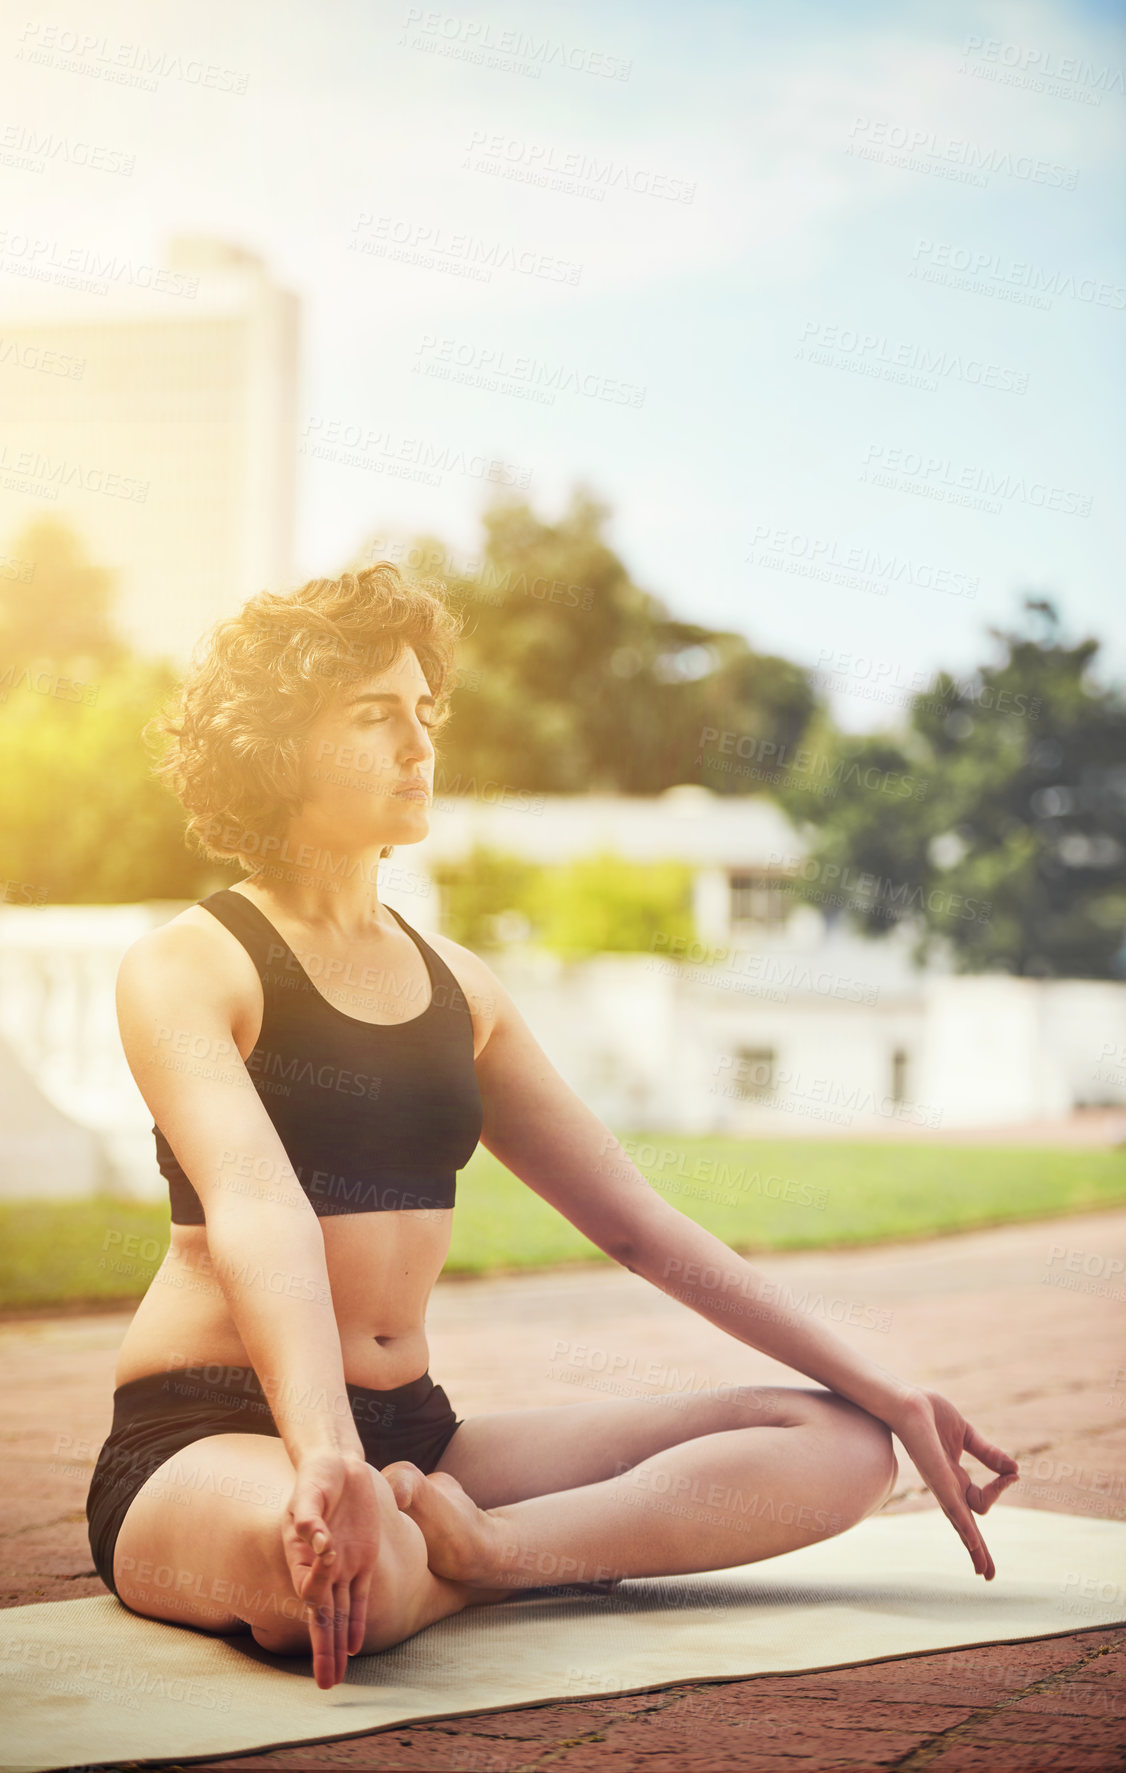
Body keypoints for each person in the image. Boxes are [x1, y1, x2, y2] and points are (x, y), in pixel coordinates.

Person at [86, 564, 1019, 1691]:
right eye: (376, 716)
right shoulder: (189, 965)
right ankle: (433, 1556)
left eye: (424, 712)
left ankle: (494, 1555)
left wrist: (882, 1381)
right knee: (350, 1569)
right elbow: (257, 1206)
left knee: (839, 1445)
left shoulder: (460, 989)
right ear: (276, 744)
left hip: (420, 1437)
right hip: (208, 1439)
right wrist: (324, 1452)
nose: (419, 745)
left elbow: (634, 1224)